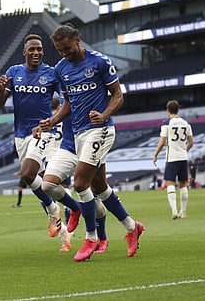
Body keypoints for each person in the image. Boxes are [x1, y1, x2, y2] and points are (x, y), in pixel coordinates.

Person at [39, 24, 144, 261]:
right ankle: (131, 227)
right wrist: (53, 120)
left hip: (101, 130)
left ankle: (91, 238)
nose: (64, 54)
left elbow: (118, 95)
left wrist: (105, 114)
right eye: (59, 50)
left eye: (67, 48)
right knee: (96, 188)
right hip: (78, 135)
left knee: (80, 183)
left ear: (78, 39)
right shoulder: (61, 69)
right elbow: (68, 102)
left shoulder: (99, 62)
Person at [0, 33, 77, 252]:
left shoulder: (51, 73)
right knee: (38, 181)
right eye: (32, 49)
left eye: (39, 49)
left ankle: (55, 209)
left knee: (28, 174)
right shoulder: (14, 72)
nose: (36, 52)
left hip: (42, 133)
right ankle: (63, 230)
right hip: (20, 135)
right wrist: (1, 90)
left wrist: (53, 122)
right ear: (25, 52)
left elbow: (66, 101)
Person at [35, 97, 109, 253]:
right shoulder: (53, 117)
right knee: (51, 189)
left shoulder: (86, 101)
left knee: (94, 196)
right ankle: (73, 229)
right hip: (63, 155)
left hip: (87, 152)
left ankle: (101, 237)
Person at [153, 100, 193, 219]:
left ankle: (174, 211)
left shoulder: (166, 123)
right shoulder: (186, 123)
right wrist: (184, 150)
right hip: (183, 157)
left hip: (172, 158)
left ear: (168, 110)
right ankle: (183, 212)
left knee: (170, 183)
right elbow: (191, 142)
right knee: (183, 185)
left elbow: (162, 142)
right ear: (178, 109)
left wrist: (155, 154)